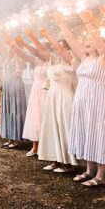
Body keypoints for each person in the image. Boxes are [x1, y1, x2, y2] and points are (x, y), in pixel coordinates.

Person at [62, 12, 105, 186]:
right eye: (86, 41)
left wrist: (89, 22)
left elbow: (99, 40)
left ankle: (101, 176)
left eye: (91, 41)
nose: (87, 42)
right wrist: (60, 22)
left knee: (99, 133)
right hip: (82, 100)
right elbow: (71, 40)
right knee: (85, 131)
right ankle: (89, 170)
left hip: (99, 100)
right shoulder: (84, 58)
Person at [35, 27, 78, 173]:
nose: (56, 47)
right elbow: (37, 51)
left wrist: (48, 34)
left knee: (64, 126)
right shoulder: (53, 60)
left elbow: (59, 50)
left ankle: (68, 162)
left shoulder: (71, 58)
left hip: (64, 95)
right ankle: (55, 159)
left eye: (60, 45)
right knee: (52, 126)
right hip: (52, 95)